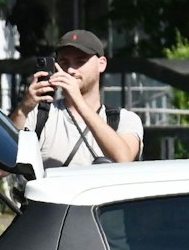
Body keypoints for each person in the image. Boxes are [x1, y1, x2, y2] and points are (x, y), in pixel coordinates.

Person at [9, 29, 143, 168]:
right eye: (64, 62)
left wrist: (78, 101)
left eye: (80, 61)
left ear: (101, 64)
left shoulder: (124, 119)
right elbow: (0, 170)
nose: (71, 70)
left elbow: (124, 159)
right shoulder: (38, 116)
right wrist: (23, 110)